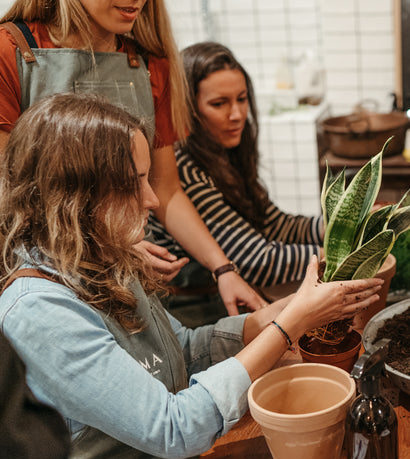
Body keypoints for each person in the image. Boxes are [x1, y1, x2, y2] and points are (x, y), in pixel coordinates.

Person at [0, 93, 383, 459]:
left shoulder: (100, 257)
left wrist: (284, 310)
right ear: (76, 198)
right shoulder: (39, 311)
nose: (151, 199)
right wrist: (289, 326)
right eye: (134, 184)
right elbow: (173, 427)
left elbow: (181, 350)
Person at [0, 0, 267, 316]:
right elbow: (10, 196)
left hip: (131, 278)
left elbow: (166, 191)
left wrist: (223, 269)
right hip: (51, 282)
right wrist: (106, 247)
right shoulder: (12, 51)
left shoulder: (150, 63)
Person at [150, 42, 323, 293]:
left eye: (242, 99)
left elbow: (273, 224)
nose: (237, 114)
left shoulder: (225, 153)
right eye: (219, 104)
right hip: (196, 309)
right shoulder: (184, 171)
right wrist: (335, 253)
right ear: (188, 108)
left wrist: (336, 224)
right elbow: (259, 262)